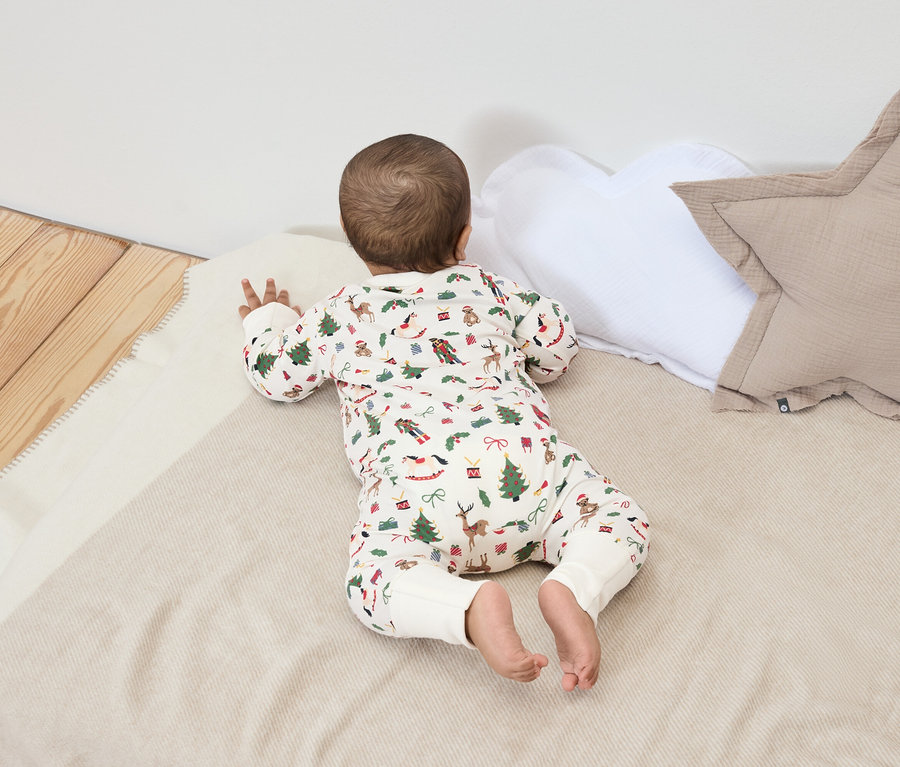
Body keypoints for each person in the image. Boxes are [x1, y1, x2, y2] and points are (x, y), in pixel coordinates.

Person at [238, 134, 649, 691]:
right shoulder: (491, 290)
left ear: (355, 245)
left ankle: (467, 610)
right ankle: (576, 586)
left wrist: (268, 323)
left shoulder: (342, 313)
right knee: (621, 522)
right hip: (532, 479)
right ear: (464, 236)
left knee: (374, 583)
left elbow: (275, 376)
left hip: (420, 502)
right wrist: (531, 354)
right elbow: (557, 349)